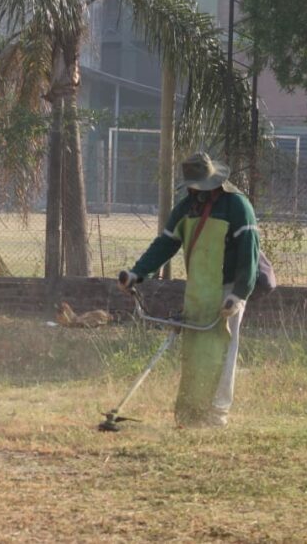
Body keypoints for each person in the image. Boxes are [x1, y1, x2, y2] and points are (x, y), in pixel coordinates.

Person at [119, 151, 260, 427]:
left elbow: (249, 255)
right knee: (195, 350)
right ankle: (191, 411)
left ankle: (217, 414)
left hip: (228, 290)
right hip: (198, 289)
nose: (200, 192)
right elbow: (165, 245)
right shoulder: (186, 209)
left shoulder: (237, 206)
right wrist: (137, 273)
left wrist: (239, 294)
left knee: (223, 348)